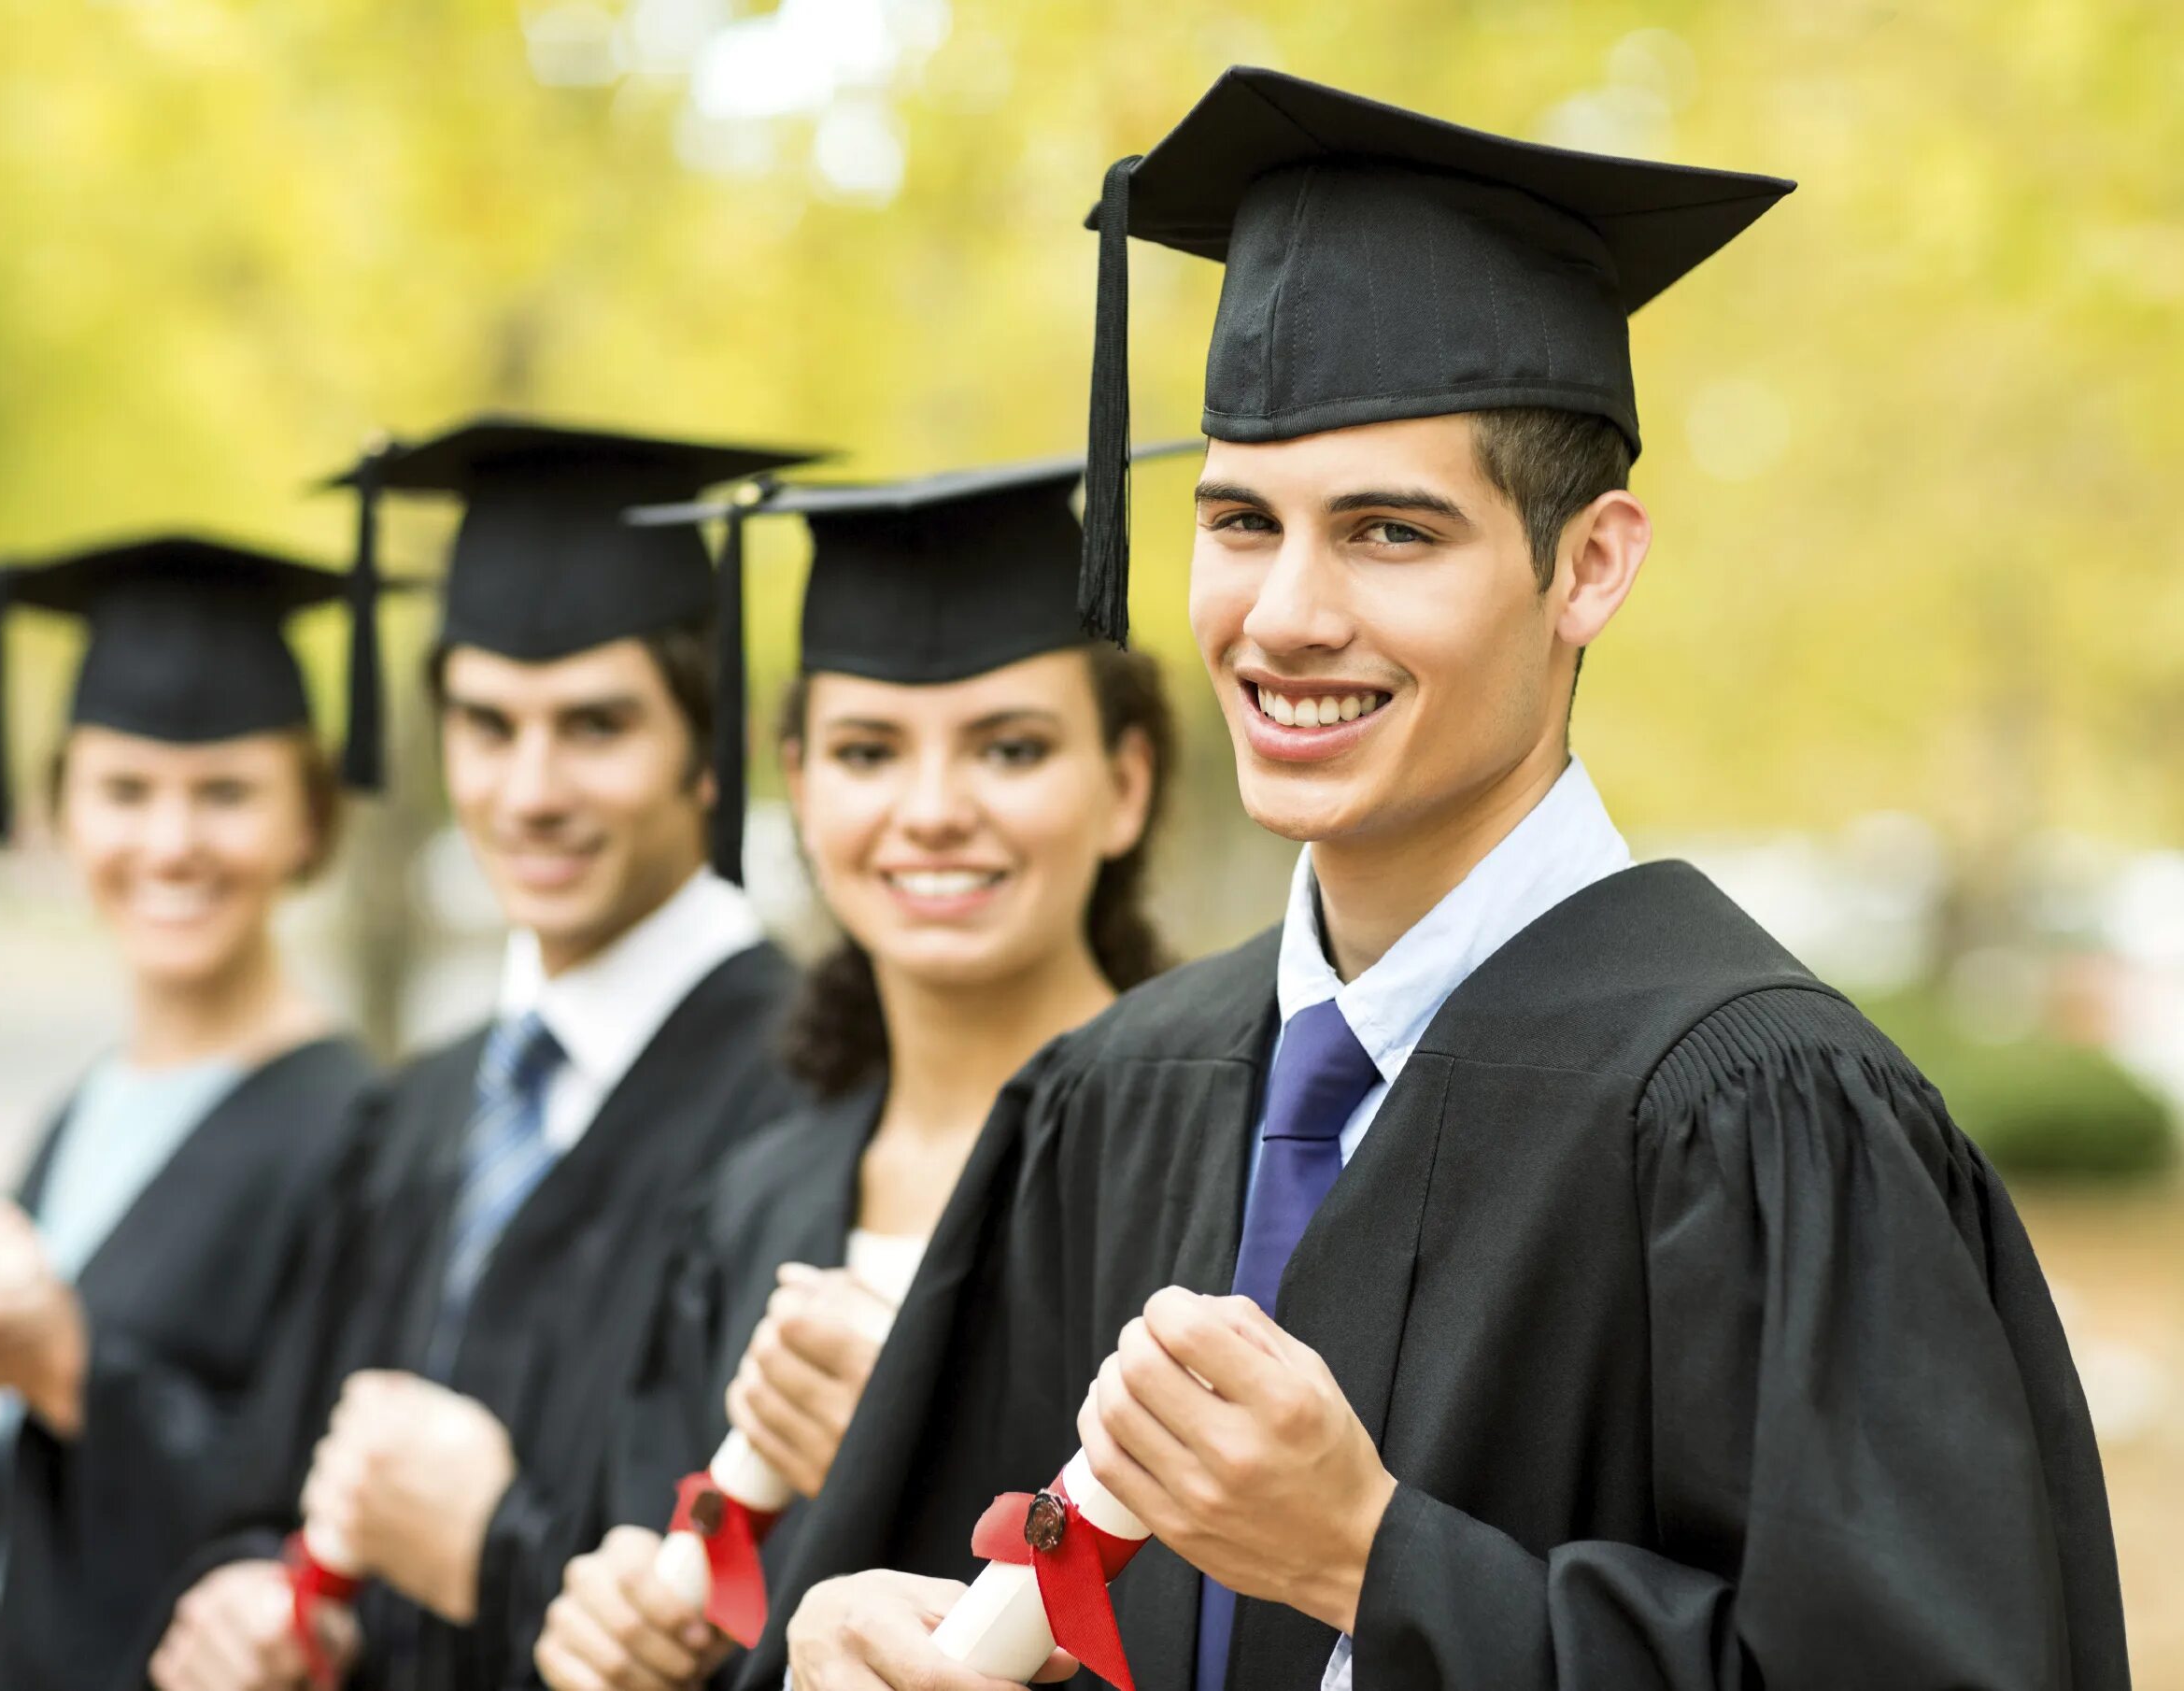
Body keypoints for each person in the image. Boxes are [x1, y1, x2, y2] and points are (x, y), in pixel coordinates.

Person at [771, 69, 2127, 1691]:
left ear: (1592, 563)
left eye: (1389, 533)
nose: (1281, 616)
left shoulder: (1757, 1120)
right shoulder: (1110, 1102)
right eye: (1237, 521)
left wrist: (1368, 1562)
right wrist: (865, 1632)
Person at [143, 419, 816, 1691]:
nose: (529, 789)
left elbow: (786, 1593)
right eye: (487, 724)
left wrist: (496, 1547)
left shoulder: (812, 1096)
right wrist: (248, 1587)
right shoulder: (420, 1108)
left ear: (703, 741)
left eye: (595, 725)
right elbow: (269, 1479)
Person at [532, 457, 1181, 1691]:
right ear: (802, 785)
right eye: (869, 750)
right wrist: (622, 1622)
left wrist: (903, 1446)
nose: (931, 809)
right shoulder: (753, 1197)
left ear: (1126, 783)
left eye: (1009, 747)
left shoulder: (1207, 1163)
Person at [0, 535, 386, 1691]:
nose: (170, 843)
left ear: (308, 820)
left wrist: (71, 1367)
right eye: (124, 790)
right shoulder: (86, 1106)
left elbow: (311, 1510)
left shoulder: (356, 1135)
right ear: (62, 812)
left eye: (225, 792)